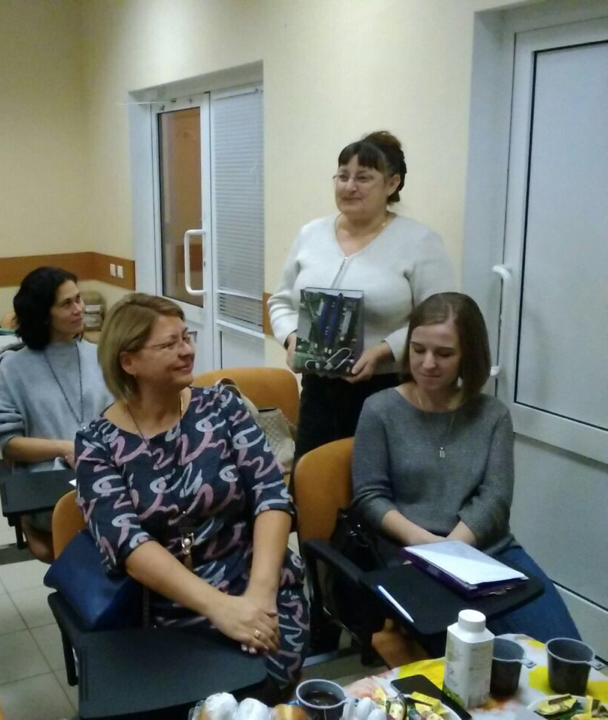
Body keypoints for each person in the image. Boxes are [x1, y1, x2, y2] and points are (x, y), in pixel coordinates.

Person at [75, 293, 309, 697]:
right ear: (128, 362)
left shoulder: (222, 406)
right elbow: (128, 544)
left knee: (262, 680)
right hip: (168, 607)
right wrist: (221, 609)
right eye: (170, 344)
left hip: (256, 579)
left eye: (187, 337)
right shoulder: (97, 443)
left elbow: (271, 494)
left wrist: (260, 595)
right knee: (216, 697)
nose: (187, 351)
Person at [351, 292, 580, 642]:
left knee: (561, 651)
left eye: (444, 354)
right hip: (412, 554)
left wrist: (449, 551)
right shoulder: (379, 409)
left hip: (489, 552)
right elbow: (370, 496)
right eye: (418, 349)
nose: (428, 363)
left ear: (468, 356)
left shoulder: (493, 414)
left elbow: (495, 498)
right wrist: (428, 548)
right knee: (472, 660)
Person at [268, 131, 455, 463]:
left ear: (392, 183)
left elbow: (439, 319)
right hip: (318, 390)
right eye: (343, 176)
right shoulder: (311, 234)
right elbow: (281, 302)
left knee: (372, 483)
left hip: (387, 391)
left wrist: (384, 351)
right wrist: (291, 338)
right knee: (312, 476)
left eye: (364, 178)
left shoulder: (419, 242)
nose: (349, 186)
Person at [0, 267, 112, 543]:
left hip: (105, 471)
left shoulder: (99, 356)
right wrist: (66, 448)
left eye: (78, 299)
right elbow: (10, 444)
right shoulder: (14, 368)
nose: (79, 309)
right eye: (66, 304)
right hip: (51, 483)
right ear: (43, 314)